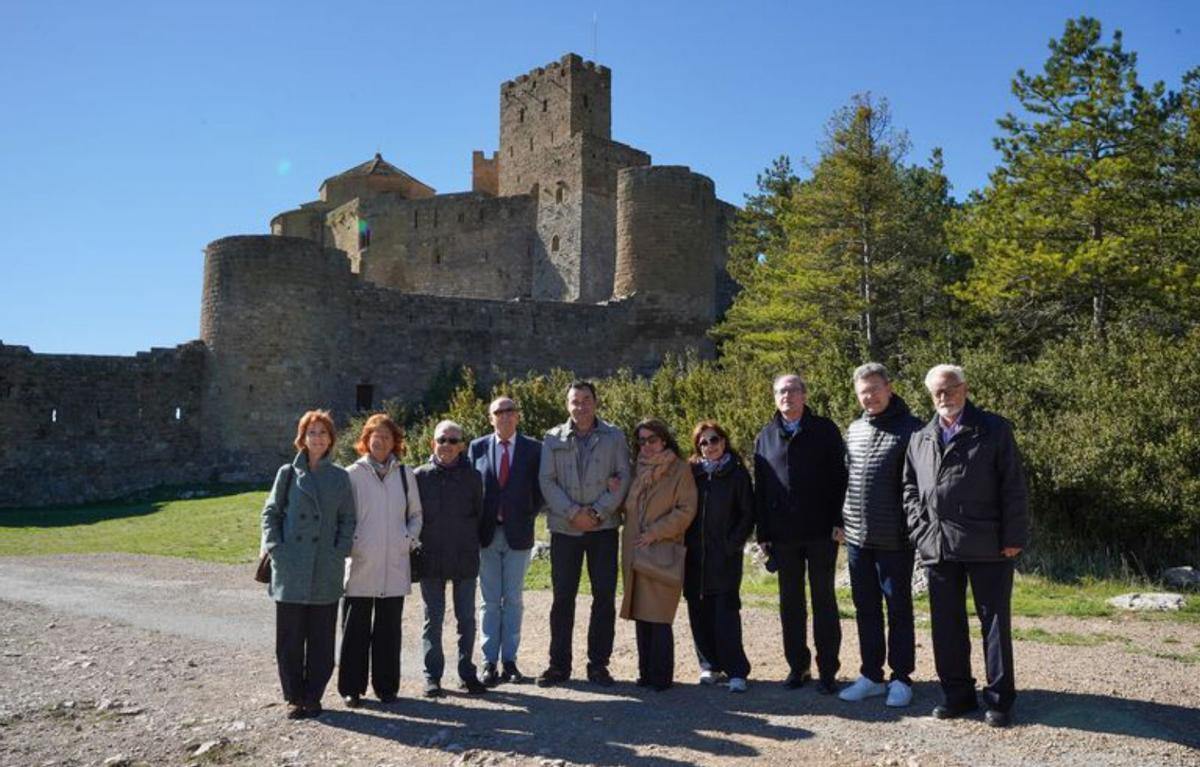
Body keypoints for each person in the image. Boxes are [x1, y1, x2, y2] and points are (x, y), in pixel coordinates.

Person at [903, 364, 1029, 728]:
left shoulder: (993, 429)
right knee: (946, 624)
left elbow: (1013, 487)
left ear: (965, 388)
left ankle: (1000, 701)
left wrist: (1013, 538)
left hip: (989, 544)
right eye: (937, 392)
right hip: (937, 545)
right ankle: (957, 695)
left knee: (993, 623)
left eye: (951, 389)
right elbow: (909, 489)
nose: (944, 397)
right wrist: (919, 530)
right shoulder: (921, 436)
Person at [753, 373, 849, 694]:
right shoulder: (765, 436)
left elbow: (840, 479)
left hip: (822, 531)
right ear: (774, 397)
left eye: (793, 390)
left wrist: (840, 520)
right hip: (783, 535)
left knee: (824, 601)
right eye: (781, 391)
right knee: (790, 603)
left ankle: (828, 670)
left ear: (804, 396)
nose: (787, 396)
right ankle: (798, 666)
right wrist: (763, 531)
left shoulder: (825, 430)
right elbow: (762, 489)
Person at [261, 409, 356, 720]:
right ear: (302, 438)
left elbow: (347, 519)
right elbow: (270, 514)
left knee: (320, 639)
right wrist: (276, 548)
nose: (317, 438)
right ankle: (294, 697)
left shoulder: (340, 477)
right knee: (289, 640)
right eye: (312, 432)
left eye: (323, 433)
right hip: (291, 567)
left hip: (324, 567)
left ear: (331, 439)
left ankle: (313, 696)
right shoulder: (286, 473)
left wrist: (338, 551)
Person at [838, 363, 922, 708]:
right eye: (863, 392)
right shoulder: (855, 429)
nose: (869, 397)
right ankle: (871, 675)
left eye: (874, 389)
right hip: (857, 538)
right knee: (865, 608)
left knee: (898, 609)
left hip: (896, 540)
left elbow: (918, 485)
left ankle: (901, 678)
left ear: (889, 388)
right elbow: (845, 479)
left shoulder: (913, 429)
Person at [537, 380, 632, 687]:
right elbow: (547, 481)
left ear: (596, 402)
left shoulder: (614, 436)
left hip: (602, 528)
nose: (581, 406)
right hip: (565, 530)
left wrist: (596, 512)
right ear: (567, 405)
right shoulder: (552, 438)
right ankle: (558, 665)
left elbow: (623, 476)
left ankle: (598, 665)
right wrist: (573, 513)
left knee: (603, 598)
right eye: (575, 401)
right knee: (562, 598)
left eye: (586, 400)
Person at [339, 414, 423, 708]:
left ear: (395, 441)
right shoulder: (352, 474)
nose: (381, 441)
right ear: (366, 440)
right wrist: (352, 545)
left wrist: (408, 540)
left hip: (394, 562)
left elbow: (416, 515)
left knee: (389, 630)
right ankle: (352, 688)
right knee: (355, 630)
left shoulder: (404, 474)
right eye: (376, 435)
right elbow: (343, 517)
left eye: (387, 436)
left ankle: (387, 687)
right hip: (362, 561)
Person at [469, 397, 543, 686]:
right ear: (490, 418)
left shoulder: (533, 449)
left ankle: (510, 661)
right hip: (486, 534)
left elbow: (540, 491)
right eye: (499, 412)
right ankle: (489, 662)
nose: (505, 416)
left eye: (510, 410)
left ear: (518, 416)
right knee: (488, 601)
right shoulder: (476, 448)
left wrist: (525, 515)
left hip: (518, 534)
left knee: (513, 600)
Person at [619, 418, 697, 691]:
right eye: (641, 441)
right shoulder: (635, 469)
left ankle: (661, 676)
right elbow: (625, 508)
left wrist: (656, 532)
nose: (647, 446)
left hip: (661, 547)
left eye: (652, 439)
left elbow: (686, 509)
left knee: (660, 615)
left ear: (664, 440)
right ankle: (645, 673)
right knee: (641, 612)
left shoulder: (679, 469)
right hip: (634, 548)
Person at [414, 420, 487, 697]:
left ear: (462, 446)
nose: (446, 445)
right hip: (431, 558)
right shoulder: (419, 477)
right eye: (441, 440)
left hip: (464, 557)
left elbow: (480, 515)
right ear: (433, 442)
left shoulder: (473, 477)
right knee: (432, 619)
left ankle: (467, 673)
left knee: (466, 619)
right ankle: (432, 676)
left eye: (453, 441)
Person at [684, 421, 754, 693]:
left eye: (714, 440)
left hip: (724, 556)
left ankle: (737, 670)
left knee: (725, 613)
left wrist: (732, 544)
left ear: (724, 442)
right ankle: (709, 665)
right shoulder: (691, 474)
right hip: (694, 556)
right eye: (703, 442)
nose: (710, 446)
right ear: (697, 447)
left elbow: (748, 513)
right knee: (698, 611)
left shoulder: (736, 473)